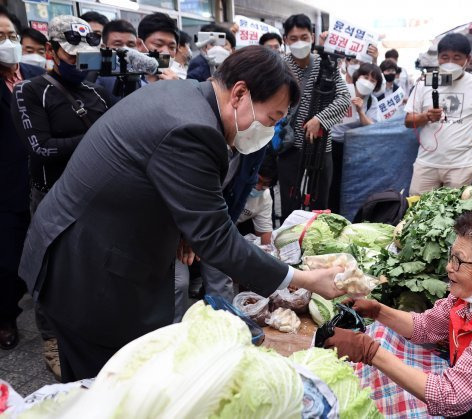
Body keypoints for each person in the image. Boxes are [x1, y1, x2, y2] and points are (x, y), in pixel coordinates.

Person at [19, 46, 344, 382]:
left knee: (105, 382)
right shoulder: (193, 129)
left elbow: (162, 184)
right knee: (106, 386)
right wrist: (303, 280)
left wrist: (187, 229)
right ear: (240, 93)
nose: (270, 131)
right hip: (85, 273)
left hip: (95, 251)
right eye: (271, 118)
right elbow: (218, 240)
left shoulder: (188, 95)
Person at [324, 211, 472, 418]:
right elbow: (425, 327)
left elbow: (450, 398)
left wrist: (370, 352)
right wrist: (378, 311)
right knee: (382, 335)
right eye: (451, 257)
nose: (449, 267)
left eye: (459, 262)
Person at [11, 15, 111, 380]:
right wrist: (101, 140)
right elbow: (40, 148)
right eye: (71, 56)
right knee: (49, 273)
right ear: (51, 51)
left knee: (93, 267)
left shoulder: (97, 90)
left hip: (99, 194)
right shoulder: (31, 91)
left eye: (85, 56)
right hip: (52, 195)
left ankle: (91, 331)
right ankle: (52, 340)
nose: (79, 64)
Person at [404, 33, 472, 194]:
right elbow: (408, 121)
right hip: (426, 163)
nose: (450, 63)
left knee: (456, 216)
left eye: (457, 58)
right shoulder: (426, 83)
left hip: (461, 166)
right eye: (445, 57)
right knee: (416, 211)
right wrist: (426, 117)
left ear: (467, 60)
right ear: (438, 58)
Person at [0, 5, 45, 351]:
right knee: (8, 262)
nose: (9, 43)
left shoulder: (32, 74)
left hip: (40, 178)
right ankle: (5, 317)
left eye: (11, 35)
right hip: (6, 186)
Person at [278, 14, 351, 218]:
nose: (299, 42)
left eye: (304, 37)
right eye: (293, 39)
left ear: (312, 36)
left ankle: (318, 246)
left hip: (321, 145)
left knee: (320, 205)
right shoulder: (279, 66)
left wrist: (319, 119)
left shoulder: (325, 63)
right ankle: (289, 247)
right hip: (290, 146)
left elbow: (344, 97)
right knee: (290, 204)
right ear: (285, 40)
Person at [329, 63, 382, 212]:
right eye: (366, 77)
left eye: (373, 80)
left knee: (344, 183)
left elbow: (372, 126)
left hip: (352, 148)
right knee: (329, 182)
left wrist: (360, 111)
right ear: (357, 77)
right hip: (332, 142)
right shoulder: (343, 91)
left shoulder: (372, 101)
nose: (368, 82)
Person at [236, 151, 278, 245]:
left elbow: (264, 232)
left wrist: (268, 254)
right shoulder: (234, 182)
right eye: (258, 180)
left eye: (265, 184)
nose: (259, 187)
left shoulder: (265, 196)